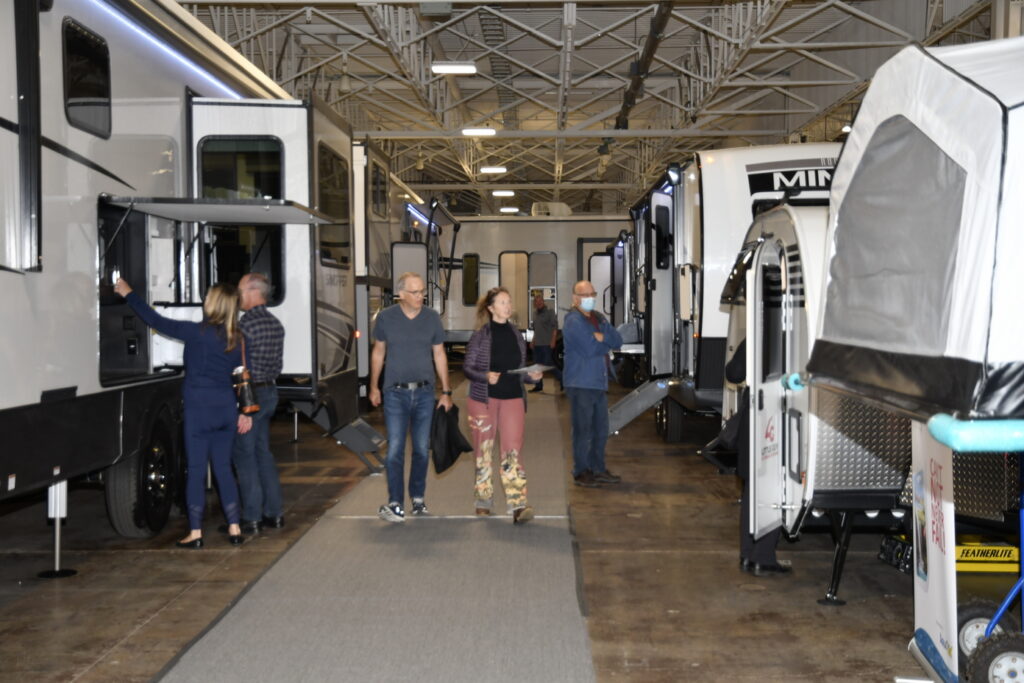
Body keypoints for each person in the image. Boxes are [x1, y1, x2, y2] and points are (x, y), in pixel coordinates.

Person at [113, 278, 252, 548]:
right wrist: (245, 412)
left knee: (197, 471)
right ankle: (235, 528)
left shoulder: (195, 332)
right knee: (224, 469)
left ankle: (196, 533)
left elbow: (154, 319)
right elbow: (242, 377)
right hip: (226, 410)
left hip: (199, 411)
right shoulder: (237, 338)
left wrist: (129, 294)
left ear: (212, 304)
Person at [369, 272, 453, 523]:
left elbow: (439, 354)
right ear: (401, 295)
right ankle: (395, 502)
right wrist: (374, 386)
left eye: (422, 292)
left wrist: (446, 391)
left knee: (421, 449)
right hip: (395, 393)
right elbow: (378, 353)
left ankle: (417, 498)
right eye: (415, 292)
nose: (421, 297)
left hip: (426, 393)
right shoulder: (385, 318)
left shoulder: (431, 318)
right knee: (394, 449)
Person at [463, 287, 544, 524]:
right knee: (483, 451)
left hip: (513, 398)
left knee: (512, 452)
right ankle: (483, 500)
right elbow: (468, 368)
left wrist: (532, 377)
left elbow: (518, 371)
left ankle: (518, 503)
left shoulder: (516, 335)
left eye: (509, 302)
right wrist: (484, 376)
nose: (508, 306)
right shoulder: (480, 336)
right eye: (502, 302)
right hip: (482, 400)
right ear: (491, 308)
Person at [726, 340, 791, 577]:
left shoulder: (754, 335)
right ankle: (763, 557)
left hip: (753, 415)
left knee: (752, 488)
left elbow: (733, 374)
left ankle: (748, 554)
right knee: (774, 485)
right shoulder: (791, 334)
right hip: (777, 417)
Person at [229, 272, 285, 534]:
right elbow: (276, 365)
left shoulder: (244, 327)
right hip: (270, 392)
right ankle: (274, 514)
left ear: (254, 292)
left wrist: (243, 406)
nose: (238, 296)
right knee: (263, 453)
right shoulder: (276, 324)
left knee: (245, 456)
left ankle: (251, 516)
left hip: (249, 397)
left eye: (240, 291)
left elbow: (242, 369)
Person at [562, 280, 623, 487]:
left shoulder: (598, 318)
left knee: (600, 430)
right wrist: (603, 343)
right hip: (581, 383)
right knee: (583, 430)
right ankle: (581, 472)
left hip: (598, 383)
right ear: (575, 298)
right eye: (585, 294)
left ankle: (598, 469)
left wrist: (601, 338)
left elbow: (618, 340)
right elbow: (589, 349)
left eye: (592, 293)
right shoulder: (573, 321)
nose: (590, 298)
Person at [528, 291, 561, 393]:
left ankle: (563, 380)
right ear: (535, 304)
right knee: (537, 366)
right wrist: (533, 341)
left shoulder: (550, 312)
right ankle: (538, 386)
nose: (538, 303)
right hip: (537, 344)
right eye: (536, 302)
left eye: (540, 301)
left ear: (543, 301)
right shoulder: (534, 314)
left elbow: (555, 327)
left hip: (547, 344)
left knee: (548, 364)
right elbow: (536, 329)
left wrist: (553, 340)